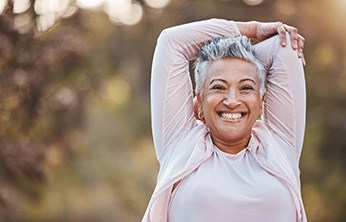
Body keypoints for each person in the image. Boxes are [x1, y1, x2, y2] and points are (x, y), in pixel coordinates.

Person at [143, 18, 307, 222]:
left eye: (246, 88)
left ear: (262, 101)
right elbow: (171, 41)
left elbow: (283, 47)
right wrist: (251, 29)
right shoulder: (179, 146)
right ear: (199, 103)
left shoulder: (281, 146)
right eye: (218, 87)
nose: (232, 101)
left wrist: (245, 55)